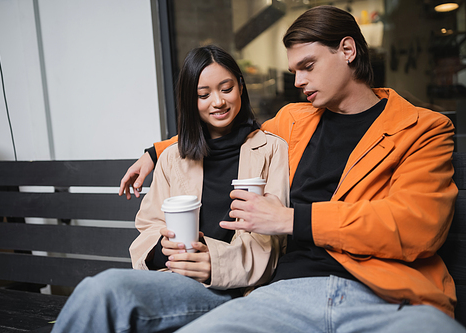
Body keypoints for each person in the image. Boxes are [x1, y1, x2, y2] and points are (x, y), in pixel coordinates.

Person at [123, 6, 466, 332]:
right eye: (294, 72)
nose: (299, 81)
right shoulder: (293, 121)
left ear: (347, 50)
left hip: (386, 295)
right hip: (286, 291)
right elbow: (230, 134)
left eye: (308, 66)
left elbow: (416, 226)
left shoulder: (422, 129)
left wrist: (290, 219)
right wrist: (156, 151)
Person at [51, 45, 289, 333]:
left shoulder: (272, 149)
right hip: (180, 280)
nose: (218, 102)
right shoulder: (173, 157)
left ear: (240, 86)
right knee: (99, 289)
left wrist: (214, 263)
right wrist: (161, 251)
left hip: (238, 289)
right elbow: (149, 227)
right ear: (191, 99)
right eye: (203, 95)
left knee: (109, 295)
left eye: (226, 89)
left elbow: (272, 241)